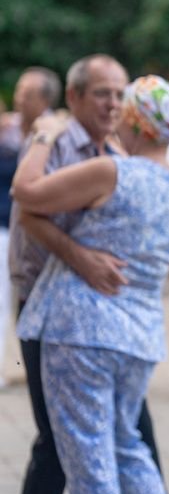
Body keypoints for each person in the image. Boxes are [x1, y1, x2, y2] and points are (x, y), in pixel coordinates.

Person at [12, 75, 169, 494]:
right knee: (127, 442)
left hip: (79, 332)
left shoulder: (112, 172)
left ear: (133, 122)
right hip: (138, 336)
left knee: (89, 456)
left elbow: (25, 192)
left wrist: (44, 135)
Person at [0, 67, 61, 388]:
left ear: (45, 98)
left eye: (28, 92)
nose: (20, 98)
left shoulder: (56, 134)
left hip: (34, 234)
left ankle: (37, 370)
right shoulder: (7, 129)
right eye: (19, 91)